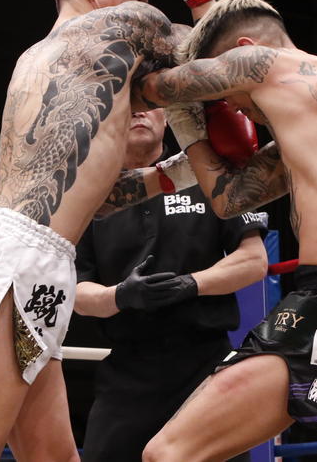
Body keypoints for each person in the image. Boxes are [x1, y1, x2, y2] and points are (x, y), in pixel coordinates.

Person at [0, 0, 200, 462]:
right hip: (18, 260)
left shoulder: (45, 58)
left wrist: (176, 172)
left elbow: (85, 197)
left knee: (52, 456)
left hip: (29, 256)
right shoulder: (124, 26)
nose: (144, 4)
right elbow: (206, 50)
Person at [134, 0, 317, 462]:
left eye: (228, 96)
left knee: (167, 454)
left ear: (244, 51)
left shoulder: (265, 63)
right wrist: (191, 131)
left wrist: (139, 42)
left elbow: (155, 87)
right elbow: (231, 199)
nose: (235, 110)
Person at [74, 106, 269, 462]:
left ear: (167, 117)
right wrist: (120, 295)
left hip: (205, 364)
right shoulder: (89, 193)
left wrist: (191, 284)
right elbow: (76, 292)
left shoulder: (205, 174)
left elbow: (254, 260)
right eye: (129, 106)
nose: (139, 112)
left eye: (149, 105)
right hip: (129, 370)